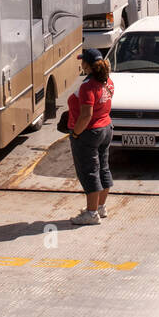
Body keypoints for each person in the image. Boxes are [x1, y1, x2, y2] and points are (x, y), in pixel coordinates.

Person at [66, 47, 114, 225]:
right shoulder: (107, 81)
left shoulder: (88, 86)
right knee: (103, 168)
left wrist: (76, 133)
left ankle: (91, 213)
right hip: (105, 128)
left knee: (89, 172)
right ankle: (100, 207)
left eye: (82, 61)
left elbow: (86, 115)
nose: (80, 63)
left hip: (89, 133)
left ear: (87, 64)